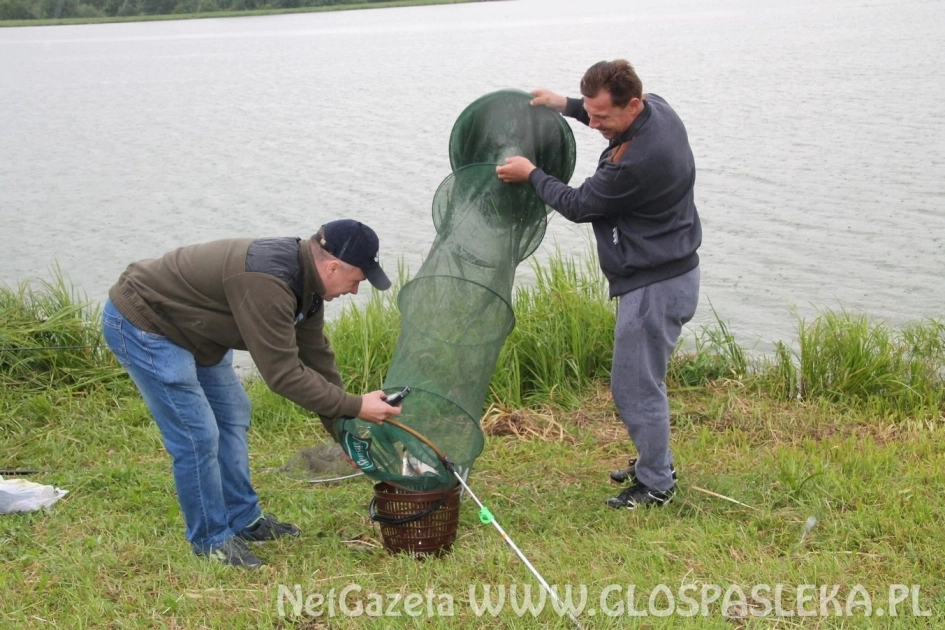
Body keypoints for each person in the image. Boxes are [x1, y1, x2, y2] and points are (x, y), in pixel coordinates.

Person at [101, 219, 403, 567]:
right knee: (198, 435)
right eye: (356, 281)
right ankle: (211, 540)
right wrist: (356, 405)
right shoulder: (269, 282)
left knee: (232, 414)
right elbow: (284, 375)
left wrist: (344, 433)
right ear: (333, 267)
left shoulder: (307, 286)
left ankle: (244, 519)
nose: (355, 291)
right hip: (147, 321)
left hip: (198, 329)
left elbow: (316, 359)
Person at [496, 60, 701, 510]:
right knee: (643, 380)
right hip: (671, 270)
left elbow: (579, 204)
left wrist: (531, 174)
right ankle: (654, 462)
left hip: (655, 286)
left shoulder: (638, 163)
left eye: (601, 116)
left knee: (636, 387)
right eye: (589, 113)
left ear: (633, 105)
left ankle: (656, 485)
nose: (593, 124)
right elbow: (601, 117)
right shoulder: (659, 109)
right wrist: (566, 105)